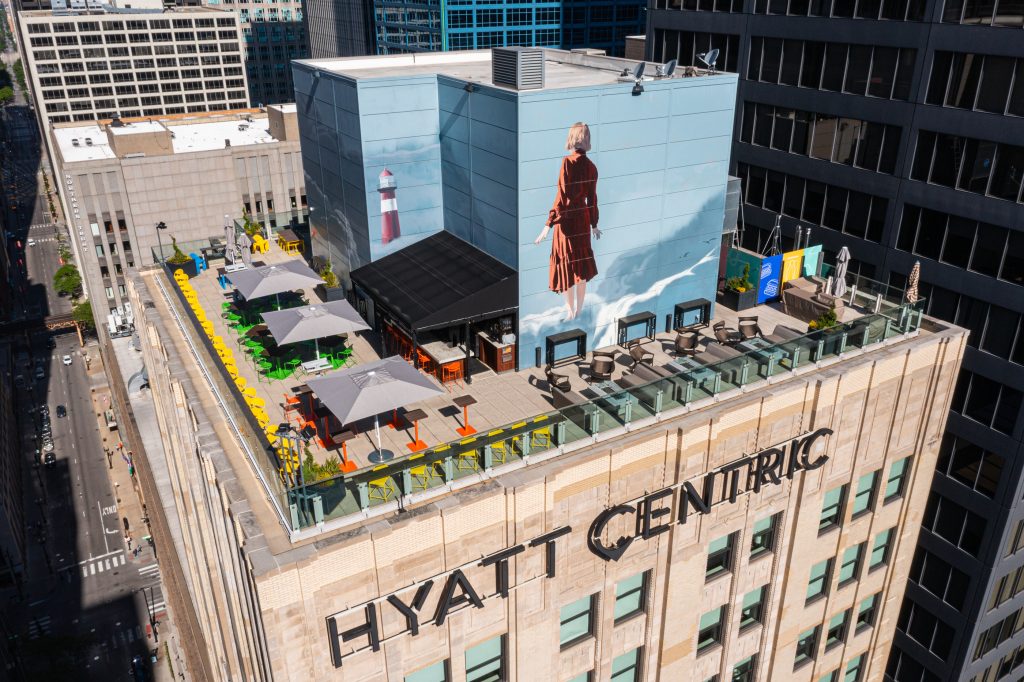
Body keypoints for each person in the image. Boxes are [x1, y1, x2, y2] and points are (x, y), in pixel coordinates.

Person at [535, 122, 601, 321]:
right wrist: (594, 224)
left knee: (566, 264)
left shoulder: (567, 163)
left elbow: (562, 196)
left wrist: (548, 224)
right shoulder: (591, 167)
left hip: (567, 221)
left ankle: (570, 310)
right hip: (583, 219)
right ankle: (578, 311)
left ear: (572, 138)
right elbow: (592, 198)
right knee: (580, 266)